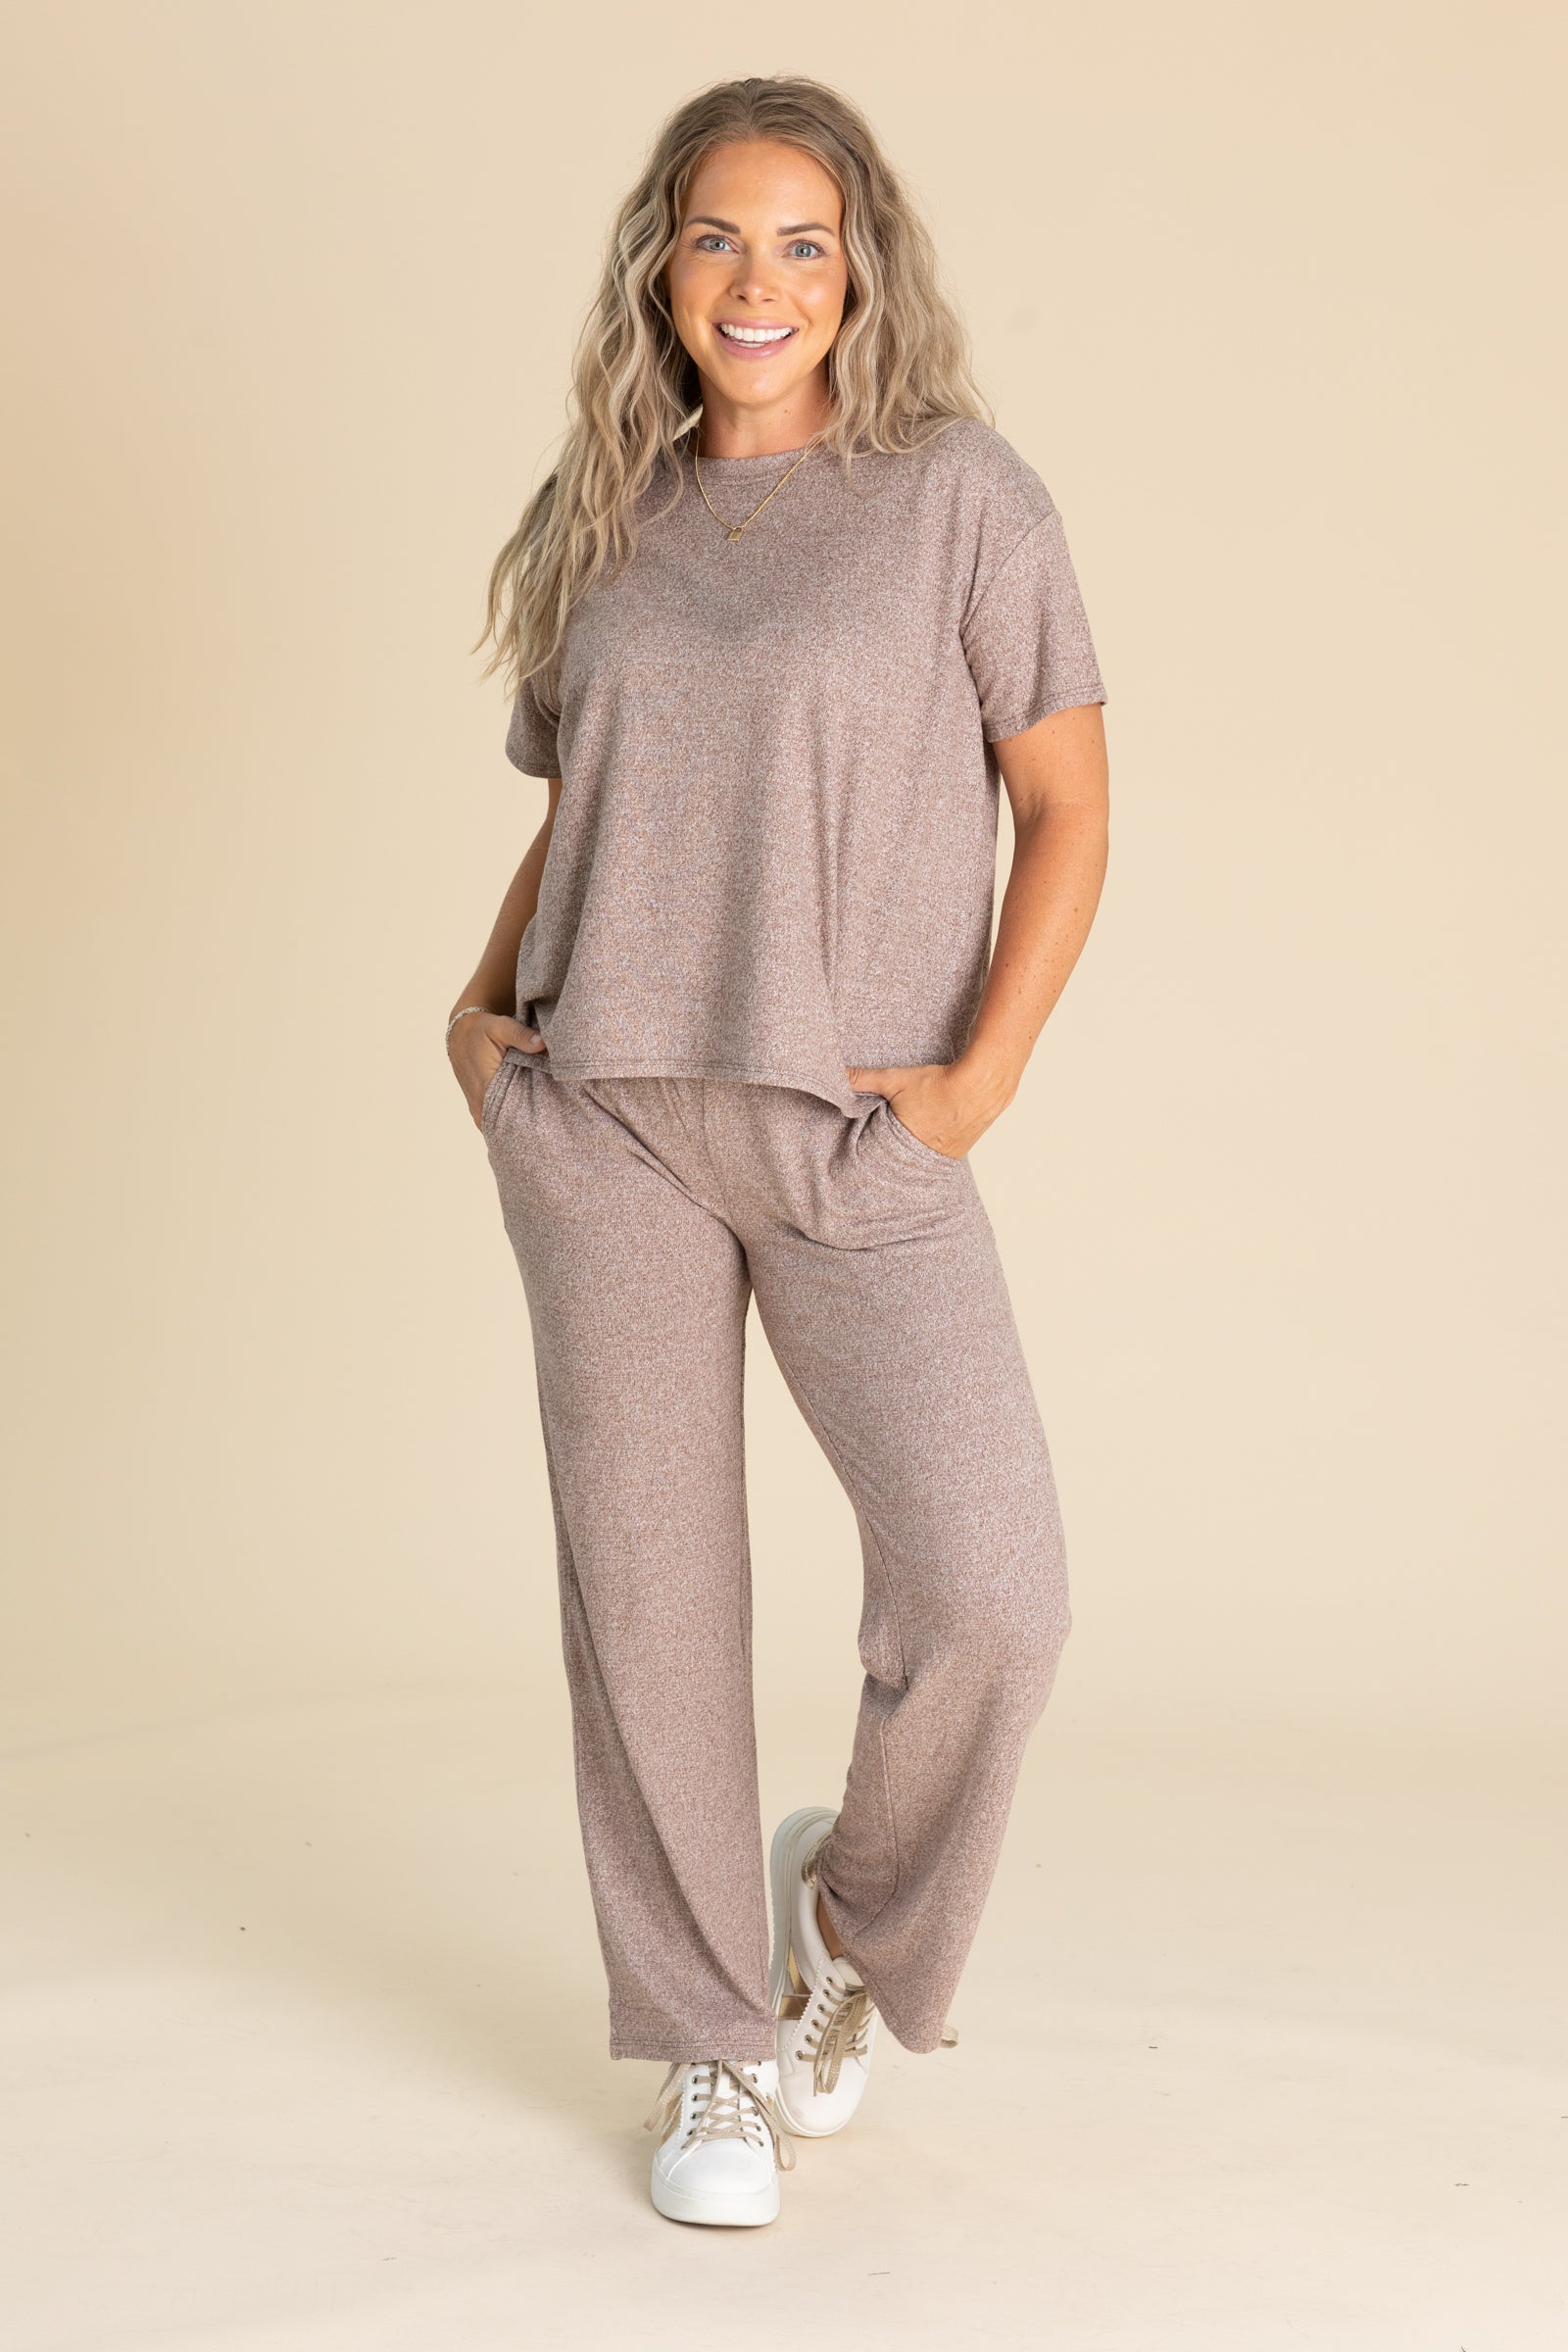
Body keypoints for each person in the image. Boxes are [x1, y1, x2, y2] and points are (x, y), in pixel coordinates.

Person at [451, 74, 1110, 2228]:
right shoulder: (607, 505)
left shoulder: (958, 498)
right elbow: (594, 807)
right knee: (649, 1607)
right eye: (718, 238)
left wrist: (977, 1083)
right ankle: (709, 2051)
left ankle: (847, 1926)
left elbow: (1068, 807)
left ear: (860, 270)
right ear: (663, 265)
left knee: (993, 1591)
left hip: (849, 1129)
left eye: (802, 242)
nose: (759, 282)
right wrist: (478, 1010)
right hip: (609, 1122)